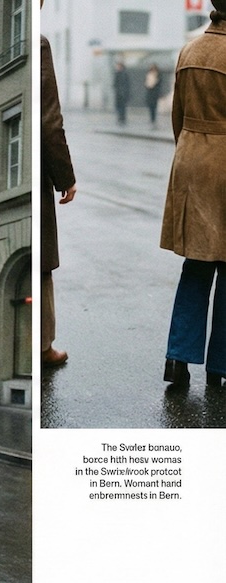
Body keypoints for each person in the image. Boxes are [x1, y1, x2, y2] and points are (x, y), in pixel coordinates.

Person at [160, 3, 226, 390]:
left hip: (191, 160)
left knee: (196, 265)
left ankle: (177, 358)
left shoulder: (190, 51)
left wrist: (189, 152)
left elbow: (178, 116)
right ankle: (219, 365)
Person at [40, 18, 77, 368]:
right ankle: (43, 346)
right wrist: (64, 176)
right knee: (42, 262)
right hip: (35, 177)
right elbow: (50, 121)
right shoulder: (39, 44)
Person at [113, 60, 131, 125]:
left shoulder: (124, 74)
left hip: (123, 93)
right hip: (118, 93)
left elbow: (126, 84)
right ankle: (120, 118)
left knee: (122, 107)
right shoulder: (117, 73)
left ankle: (122, 118)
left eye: (118, 66)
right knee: (118, 106)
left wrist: (125, 92)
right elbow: (115, 83)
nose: (117, 67)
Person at [144, 62, 162, 127]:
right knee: (150, 107)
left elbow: (159, 85)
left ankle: (154, 119)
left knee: (154, 107)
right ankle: (152, 119)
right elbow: (146, 84)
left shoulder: (158, 75)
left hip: (154, 94)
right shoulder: (148, 75)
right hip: (150, 94)